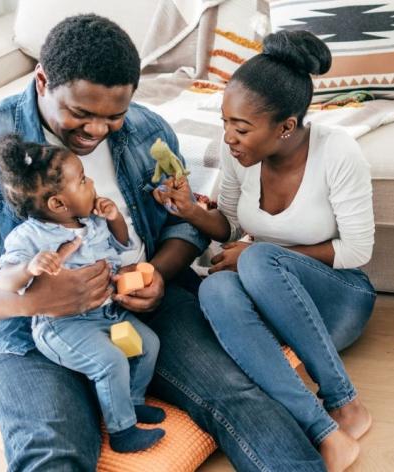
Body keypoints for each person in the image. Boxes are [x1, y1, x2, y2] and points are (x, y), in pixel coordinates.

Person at [0, 14, 326, 471]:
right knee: (52, 449)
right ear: (41, 81)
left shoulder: (148, 131)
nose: (96, 131)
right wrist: (31, 300)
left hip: (140, 309)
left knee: (236, 395)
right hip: (25, 329)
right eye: (80, 113)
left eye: (114, 116)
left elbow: (183, 225)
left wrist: (158, 273)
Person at [153, 30, 376, 472]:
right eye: (224, 123)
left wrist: (261, 255)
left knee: (253, 257)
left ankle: (344, 401)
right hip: (273, 304)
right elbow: (231, 227)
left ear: (286, 126)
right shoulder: (237, 155)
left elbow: (358, 250)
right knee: (215, 290)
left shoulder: (338, 153)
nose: (229, 138)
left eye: (241, 128)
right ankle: (323, 429)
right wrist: (191, 211)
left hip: (339, 299)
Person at [0, 134, 165, 453]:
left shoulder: (92, 221)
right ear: (57, 203)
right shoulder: (29, 237)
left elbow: (122, 245)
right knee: (111, 361)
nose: (92, 183)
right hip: (64, 326)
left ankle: (131, 403)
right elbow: (6, 279)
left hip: (106, 312)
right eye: (83, 180)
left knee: (148, 345)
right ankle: (122, 432)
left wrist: (114, 219)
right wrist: (30, 267)